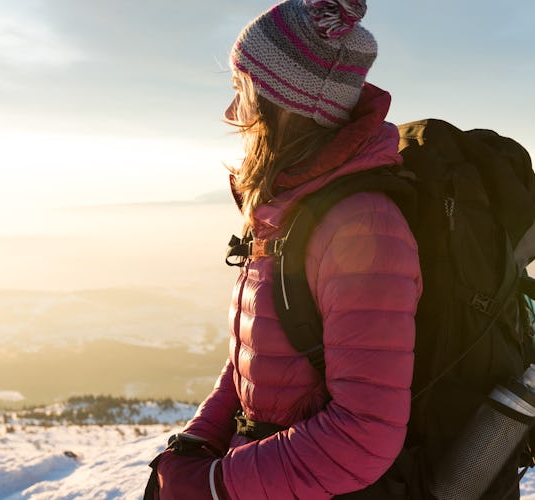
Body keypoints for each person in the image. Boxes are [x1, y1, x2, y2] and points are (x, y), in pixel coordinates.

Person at [153, 0, 423, 498]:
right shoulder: (289, 209)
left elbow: (362, 434)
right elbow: (258, 359)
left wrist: (215, 485)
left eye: (244, 91)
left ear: (288, 107)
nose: (232, 112)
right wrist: (197, 441)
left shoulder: (361, 230)